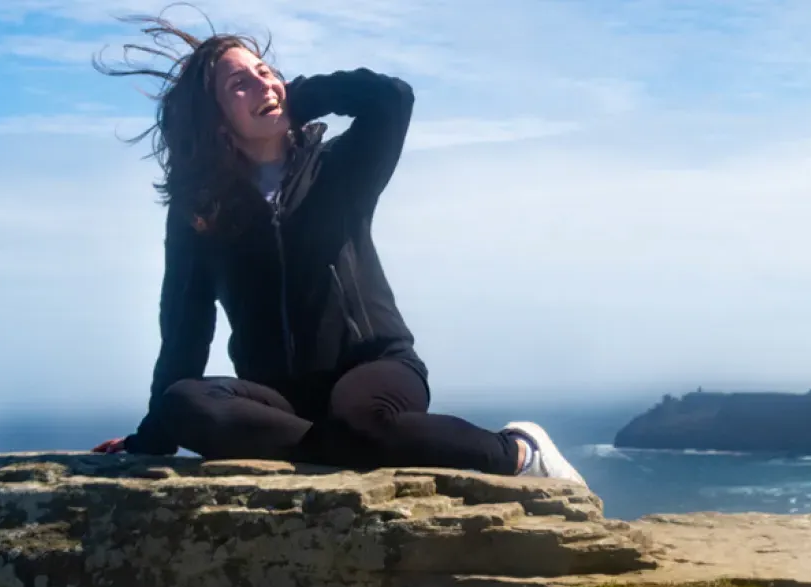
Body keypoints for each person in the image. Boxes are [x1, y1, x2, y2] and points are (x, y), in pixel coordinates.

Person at [87, 10, 585, 487]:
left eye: (266, 72)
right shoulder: (201, 212)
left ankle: (520, 450)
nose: (264, 84)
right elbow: (184, 328)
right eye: (241, 84)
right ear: (216, 119)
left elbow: (390, 99)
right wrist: (151, 438)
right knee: (182, 404)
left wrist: (292, 97)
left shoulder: (341, 169)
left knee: (361, 422)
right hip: (277, 398)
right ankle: (338, 447)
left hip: (377, 369)